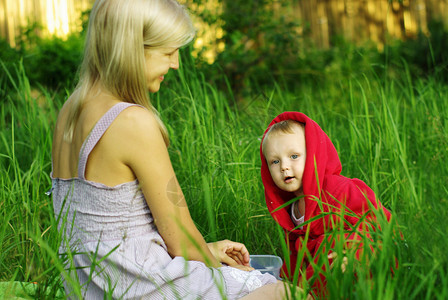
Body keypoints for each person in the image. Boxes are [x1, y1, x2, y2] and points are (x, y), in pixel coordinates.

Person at [50, 0, 292, 298]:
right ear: (131, 50)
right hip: (138, 287)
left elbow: (106, 230)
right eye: (167, 52)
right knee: (289, 292)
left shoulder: (70, 110)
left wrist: (209, 249)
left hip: (90, 287)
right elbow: (180, 238)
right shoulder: (131, 121)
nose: (176, 63)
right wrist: (231, 275)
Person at [260, 111, 392, 297]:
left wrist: (356, 249)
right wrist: (288, 279)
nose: (284, 166)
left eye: (294, 156)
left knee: (330, 243)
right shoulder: (291, 208)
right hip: (323, 275)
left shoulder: (338, 190)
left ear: (314, 155)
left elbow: (375, 221)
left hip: (358, 262)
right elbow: (295, 255)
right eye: (275, 161)